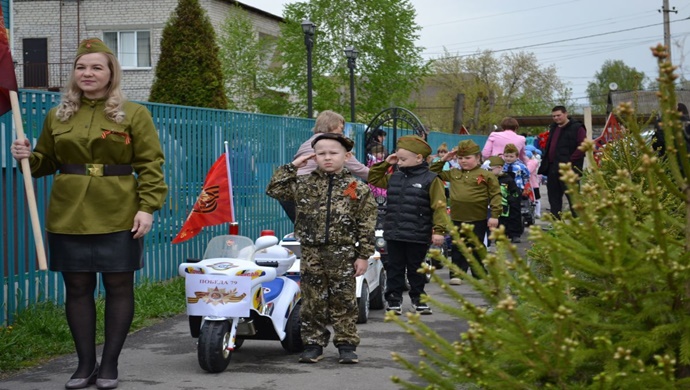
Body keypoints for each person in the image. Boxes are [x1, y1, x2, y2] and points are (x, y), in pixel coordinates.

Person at [10, 38, 167, 389]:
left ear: (111, 73)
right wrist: (26, 155)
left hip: (118, 210)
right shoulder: (57, 114)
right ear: (73, 74)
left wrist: (147, 207)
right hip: (68, 213)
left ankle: (109, 364)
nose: (88, 73)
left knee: (118, 284)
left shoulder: (134, 113)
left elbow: (151, 165)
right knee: (77, 287)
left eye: (97, 67)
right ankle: (84, 364)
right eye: (81, 67)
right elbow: (45, 164)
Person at [266, 133, 376, 365]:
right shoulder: (304, 184)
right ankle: (313, 344)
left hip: (343, 252)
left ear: (346, 157)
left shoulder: (357, 187)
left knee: (344, 300)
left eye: (333, 153)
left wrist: (363, 255)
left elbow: (366, 223)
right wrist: (293, 165)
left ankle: (346, 344)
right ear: (314, 156)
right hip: (311, 251)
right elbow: (274, 189)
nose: (327, 158)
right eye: (321, 153)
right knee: (312, 300)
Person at [368, 135, 447, 316]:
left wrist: (439, 230)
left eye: (403, 159)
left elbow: (439, 206)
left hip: (417, 233)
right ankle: (394, 301)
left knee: (416, 268)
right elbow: (373, 177)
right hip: (394, 232)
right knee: (394, 268)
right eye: (398, 158)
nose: (399, 162)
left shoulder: (431, 179)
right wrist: (386, 162)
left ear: (419, 158)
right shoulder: (394, 176)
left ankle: (419, 300)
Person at [431, 140, 501, 285]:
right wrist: (444, 159)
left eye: (467, 158)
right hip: (457, 217)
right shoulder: (454, 172)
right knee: (457, 246)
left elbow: (495, 195)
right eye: (460, 158)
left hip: (478, 217)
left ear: (478, 158)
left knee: (477, 246)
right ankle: (457, 273)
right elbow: (432, 173)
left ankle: (479, 273)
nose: (463, 161)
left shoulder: (486, 175)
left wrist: (494, 215)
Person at [279, 110, 369, 223]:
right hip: (313, 190)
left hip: (291, 192)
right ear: (332, 125)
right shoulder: (334, 144)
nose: (342, 133)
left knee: (307, 228)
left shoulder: (307, 143)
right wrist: (385, 179)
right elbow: (359, 170)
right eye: (341, 128)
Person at [537, 105, 586, 219]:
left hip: (569, 170)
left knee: (573, 198)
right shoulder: (554, 127)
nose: (556, 118)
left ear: (565, 114)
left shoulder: (577, 128)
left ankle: (578, 224)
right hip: (553, 168)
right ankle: (556, 223)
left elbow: (582, 147)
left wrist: (570, 161)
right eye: (554, 116)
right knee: (553, 198)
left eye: (558, 115)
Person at [487, 156, 522, 243]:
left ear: (500, 168)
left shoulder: (507, 179)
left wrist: (512, 199)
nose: (488, 172)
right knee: (497, 221)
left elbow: (515, 193)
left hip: (507, 204)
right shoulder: (488, 179)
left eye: (490, 170)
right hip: (493, 204)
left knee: (513, 217)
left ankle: (514, 234)